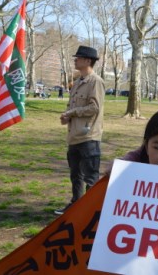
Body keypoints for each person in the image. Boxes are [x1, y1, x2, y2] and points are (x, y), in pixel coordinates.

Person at [56, 46, 105, 215]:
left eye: (78, 58)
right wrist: (67, 116)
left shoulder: (95, 81)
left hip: (89, 137)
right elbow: (73, 106)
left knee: (91, 177)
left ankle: (92, 212)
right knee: (75, 175)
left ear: (87, 61)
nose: (75, 60)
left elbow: (94, 108)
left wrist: (73, 112)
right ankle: (76, 205)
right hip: (74, 136)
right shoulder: (77, 82)